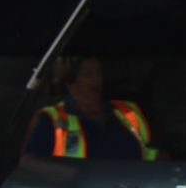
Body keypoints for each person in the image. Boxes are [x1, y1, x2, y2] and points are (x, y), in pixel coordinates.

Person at [24, 57, 159, 161]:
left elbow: (155, 153)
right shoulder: (52, 119)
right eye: (88, 75)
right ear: (69, 81)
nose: (97, 80)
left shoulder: (128, 110)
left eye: (98, 73)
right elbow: (31, 164)